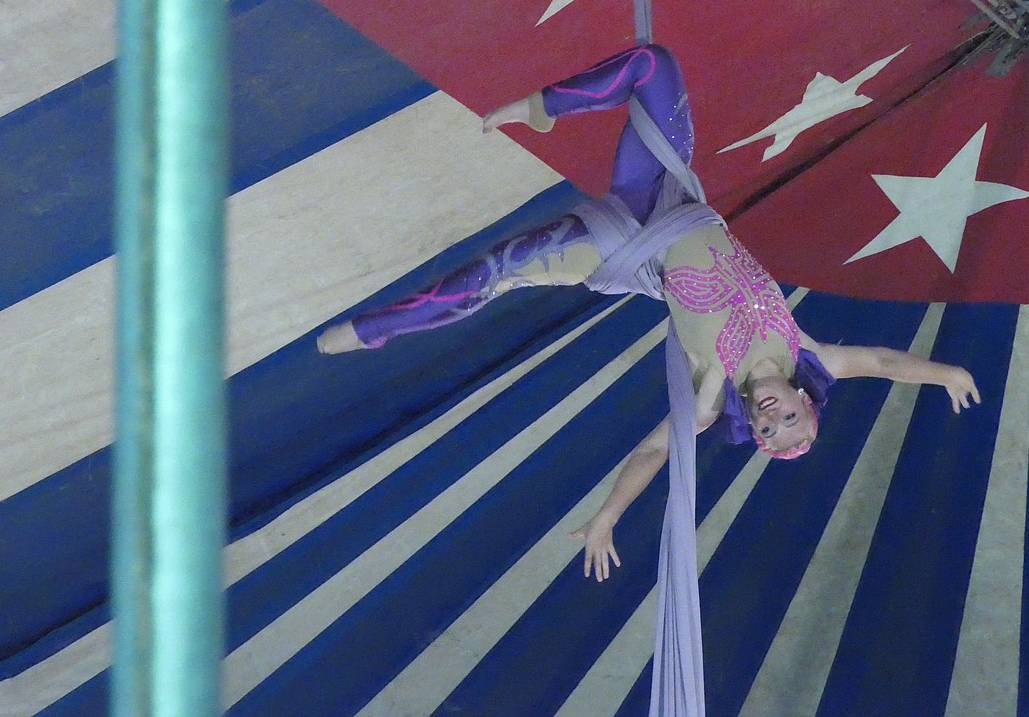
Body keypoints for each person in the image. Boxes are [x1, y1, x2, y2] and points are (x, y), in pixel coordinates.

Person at [317, 44, 981, 582]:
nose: (770, 417)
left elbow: (651, 451)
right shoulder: (807, 349)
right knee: (653, 64)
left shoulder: (710, 400)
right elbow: (884, 361)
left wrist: (608, 516)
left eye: (766, 431)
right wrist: (944, 371)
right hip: (666, 190)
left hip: (617, 245)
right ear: (808, 402)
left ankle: (377, 332)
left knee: (494, 274)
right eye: (787, 419)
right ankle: (542, 108)